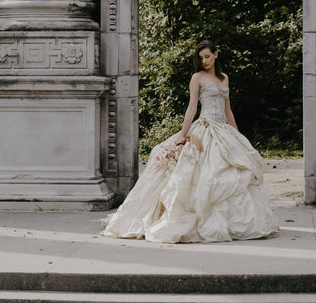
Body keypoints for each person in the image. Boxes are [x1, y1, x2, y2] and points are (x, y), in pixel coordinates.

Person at [101, 40, 279, 243]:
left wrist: (238, 137)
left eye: (208, 56)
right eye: (201, 58)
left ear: (216, 55)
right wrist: (183, 134)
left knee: (235, 170)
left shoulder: (224, 78)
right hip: (204, 127)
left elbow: (228, 110)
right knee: (200, 174)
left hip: (224, 130)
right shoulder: (197, 78)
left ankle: (236, 223)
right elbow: (192, 107)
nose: (204, 61)